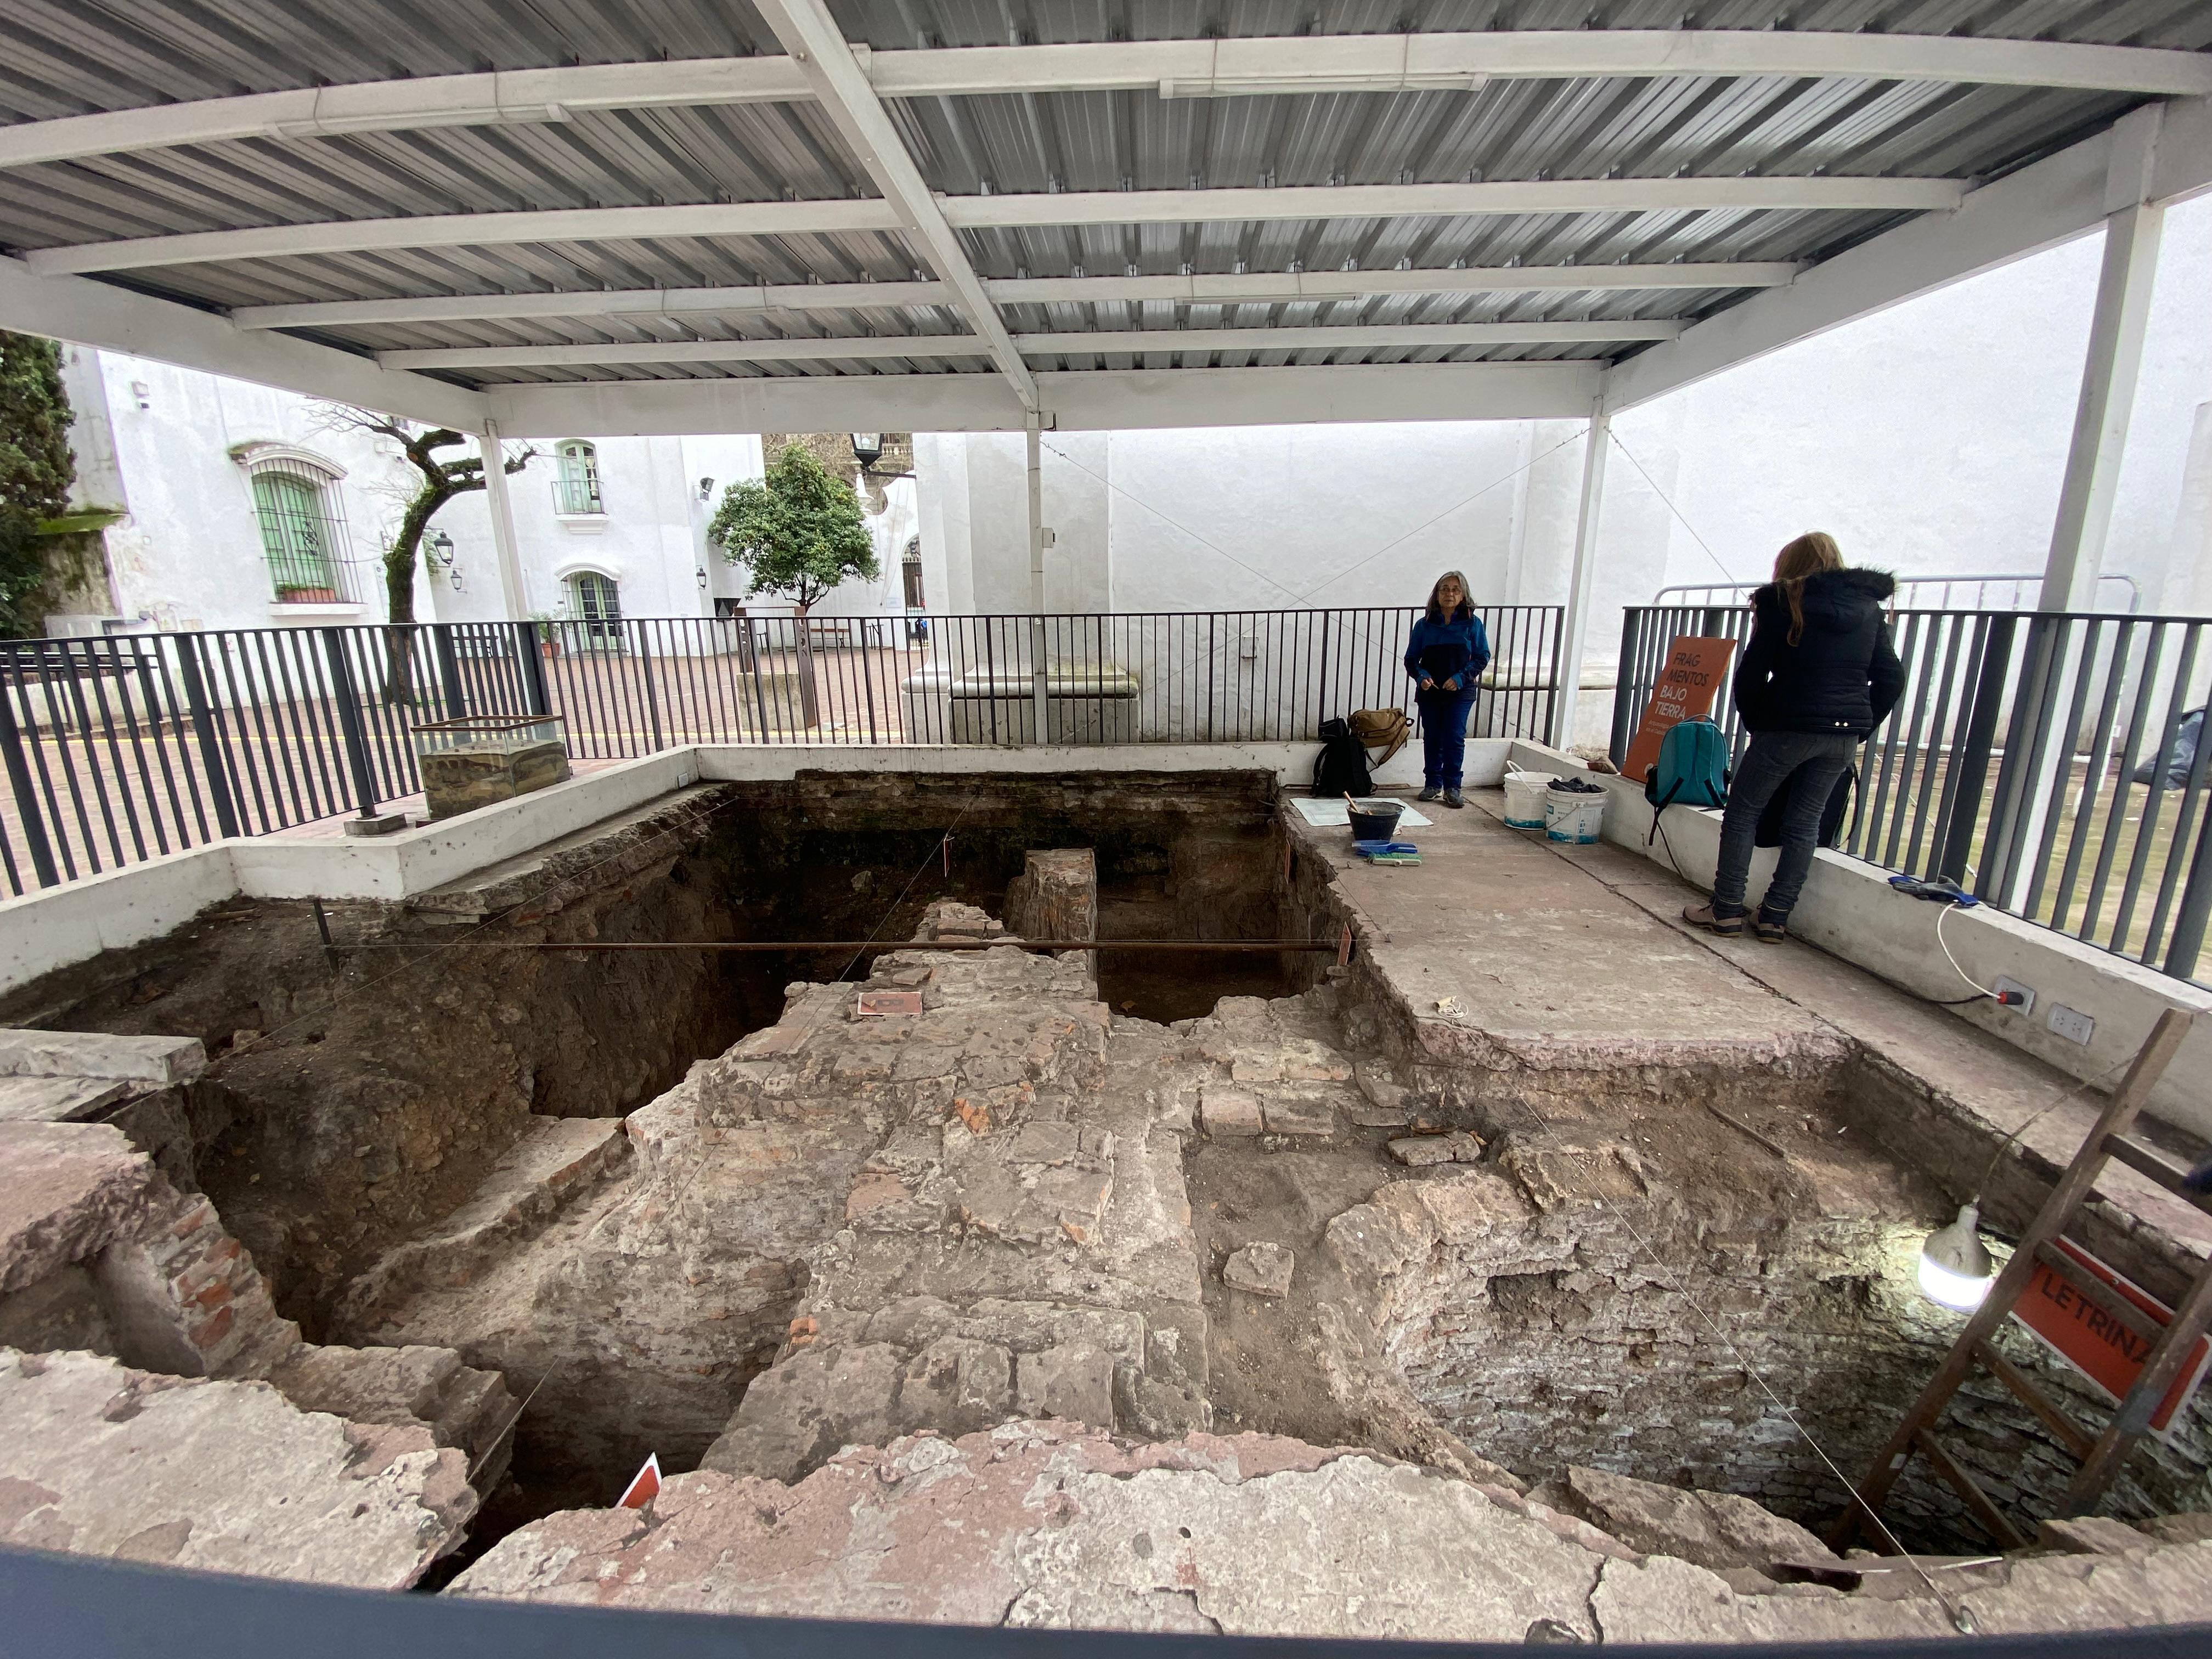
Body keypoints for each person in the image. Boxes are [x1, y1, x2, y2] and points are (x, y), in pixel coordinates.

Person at [1685, 533, 1905, 940]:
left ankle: (1727, 908)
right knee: (1805, 823)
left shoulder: (1783, 602)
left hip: (1786, 726)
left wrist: (1759, 723)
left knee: (1743, 813)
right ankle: (1775, 916)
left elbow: (1751, 673)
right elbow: (1891, 677)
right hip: (1841, 735)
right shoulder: (1869, 608)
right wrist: (1860, 725)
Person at [1403, 570, 1491, 809]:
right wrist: (1421, 676)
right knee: (1432, 737)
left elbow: (1483, 656)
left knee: (1454, 736)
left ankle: (1453, 787)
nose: (1449, 594)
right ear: (1437, 594)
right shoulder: (1424, 625)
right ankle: (1432, 783)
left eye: (1455, 589)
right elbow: (1411, 659)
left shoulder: (1473, 624)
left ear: (1463, 595)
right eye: (1444, 589)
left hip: (1461, 692)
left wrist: (1461, 678)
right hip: (1430, 691)